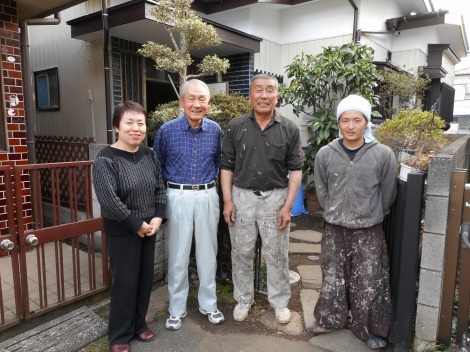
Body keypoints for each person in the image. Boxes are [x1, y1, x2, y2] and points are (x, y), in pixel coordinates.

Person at [312, 94, 397, 349]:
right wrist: (334, 213)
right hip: (335, 228)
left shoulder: (383, 154)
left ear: (366, 122)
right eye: (345, 120)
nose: (350, 126)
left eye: (356, 120)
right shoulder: (326, 154)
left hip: (369, 229)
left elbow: (388, 193)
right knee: (333, 276)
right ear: (338, 123)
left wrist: (371, 214)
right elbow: (321, 189)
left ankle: (369, 328)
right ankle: (330, 319)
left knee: (368, 280)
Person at [220, 73, 304, 324]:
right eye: (258, 90)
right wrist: (228, 200)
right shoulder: (236, 126)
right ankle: (243, 298)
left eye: (270, 90)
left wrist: (288, 206)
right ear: (250, 95)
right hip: (242, 196)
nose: (264, 95)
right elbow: (226, 166)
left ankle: (279, 302)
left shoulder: (289, 128)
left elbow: (296, 169)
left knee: (277, 253)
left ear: (277, 96)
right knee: (241, 251)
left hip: (275, 198)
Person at [93, 101, 167, 352]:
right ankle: (119, 335)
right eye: (129, 122)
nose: (136, 128)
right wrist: (137, 224)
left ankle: (138, 324)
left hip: (149, 228)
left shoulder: (149, 155)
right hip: (123, 231)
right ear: (116, 126)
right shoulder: (106, 158)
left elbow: (160, 187)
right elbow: (108, 199)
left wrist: (157, 218)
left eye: (141, 123)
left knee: (144, 280)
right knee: (125, 283)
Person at [153, 79, 224, 330]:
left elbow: (218, 163)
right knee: (178, 255)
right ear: (182, 102)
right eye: (191, 99)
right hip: (177, 196)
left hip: (206, 195)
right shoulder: (167, 130)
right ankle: (176, 308)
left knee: (208, 253)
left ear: (208, 102)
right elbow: (157, 167)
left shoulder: (215, 130)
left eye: (202, 99)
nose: (197, 104)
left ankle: (209, 304)